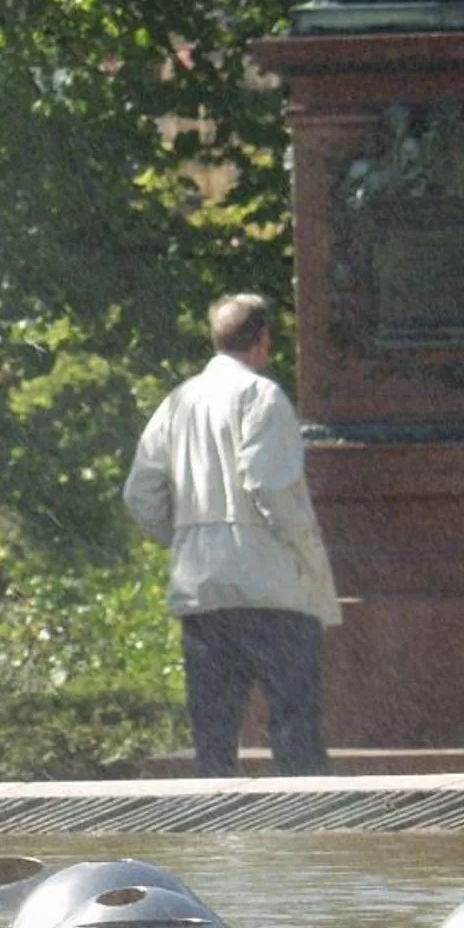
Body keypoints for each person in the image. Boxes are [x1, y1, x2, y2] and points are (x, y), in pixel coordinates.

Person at [122, 295, 341, 777]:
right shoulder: (262, 397)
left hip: (203, 589)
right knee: (295, 730)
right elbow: (273, 489)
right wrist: (308, 561)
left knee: (214, 742)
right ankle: (306, 839)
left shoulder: (177, 402)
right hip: (271, 587)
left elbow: (140, 494)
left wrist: (186, 537)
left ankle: (215, 847)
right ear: (262, 341)